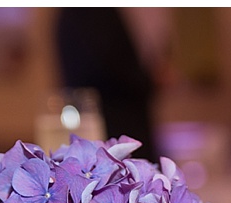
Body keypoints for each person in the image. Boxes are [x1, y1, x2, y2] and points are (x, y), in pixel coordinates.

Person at [55, 7, 158, 161]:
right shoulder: (90, 11)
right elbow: (106, 62)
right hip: (113, 118)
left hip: (101, 117)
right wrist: (149, 81)